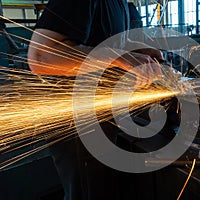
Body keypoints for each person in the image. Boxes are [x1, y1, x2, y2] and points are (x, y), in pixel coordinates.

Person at [27, 0, 164, 199]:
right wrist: (119, 57)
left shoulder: (121, 4)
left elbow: (102, 42)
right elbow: (41, 56)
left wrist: (134, 53)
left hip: (101, 116)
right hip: (77, 122)